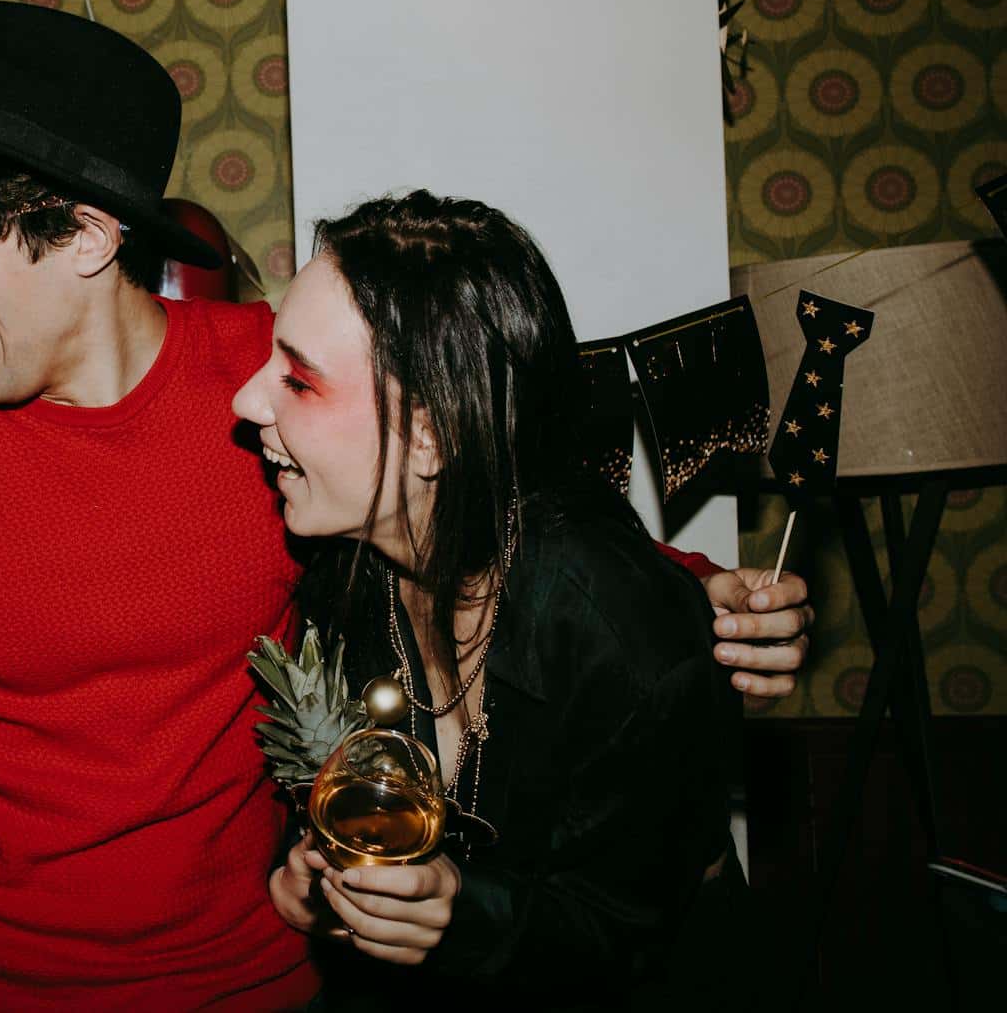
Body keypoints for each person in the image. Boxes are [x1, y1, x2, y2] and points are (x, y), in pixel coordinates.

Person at [0, 2, 811, 1008]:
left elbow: (474, 496)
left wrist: (697, 594)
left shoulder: (278, 385)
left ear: (82, 235)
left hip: (268, 974)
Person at [249, 193, 758, 1006]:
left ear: (431, 436)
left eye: (298, 380)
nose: (247, 400)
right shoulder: (340, 576)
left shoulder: (622, 634)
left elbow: (632, 933)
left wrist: (465, 913)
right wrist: (307, 873)